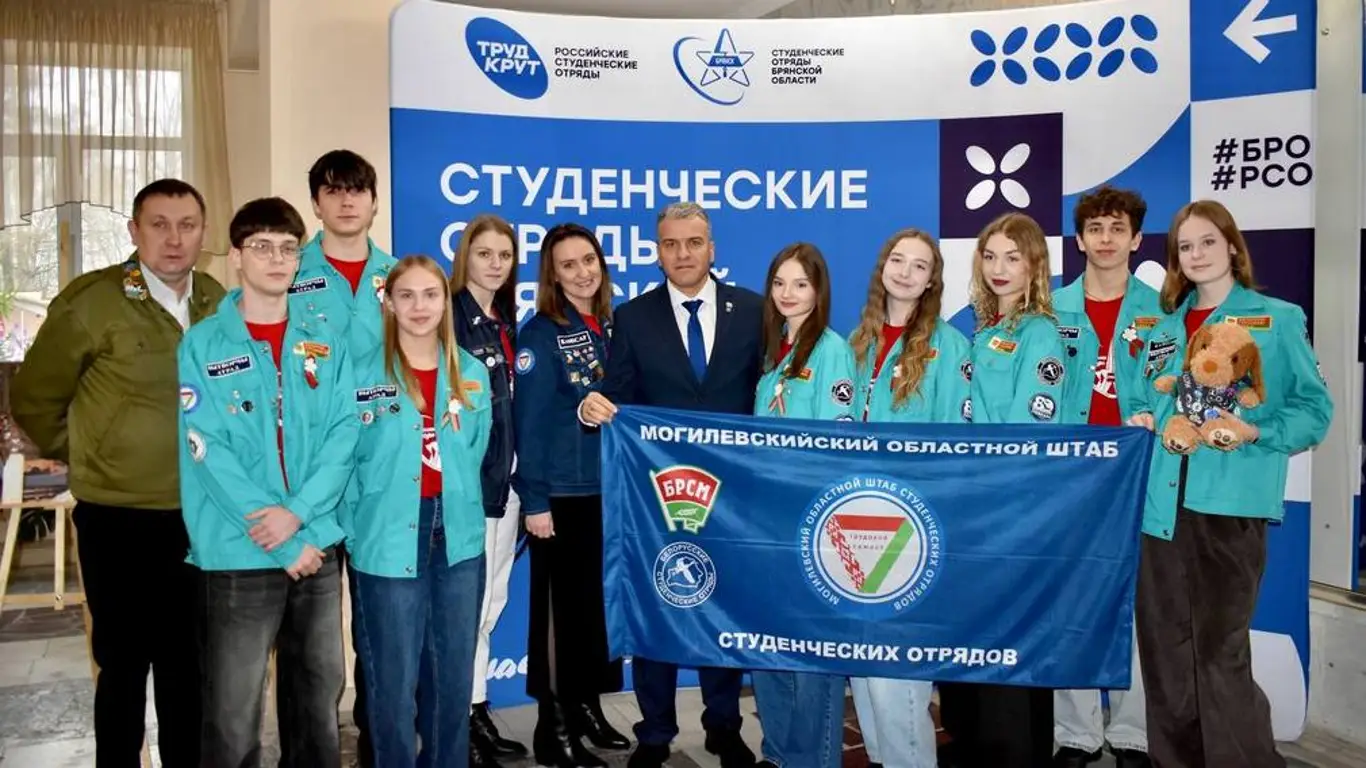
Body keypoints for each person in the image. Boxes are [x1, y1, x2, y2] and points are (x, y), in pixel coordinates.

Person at [11, 178, 224, 767]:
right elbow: (33, 397)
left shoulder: (215, 300)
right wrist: (87, 451)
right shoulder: (92, 302)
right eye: (159, 225)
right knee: (124, 666)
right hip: (118, 518)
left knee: (188, 667)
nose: (174, 239)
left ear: (202, 234)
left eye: (186, 225)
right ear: (134, 231)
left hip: (199, 517)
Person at [1126, 200, 1331, 768]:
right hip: (1159, 508)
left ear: (1232, 247)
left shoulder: (1276, 318)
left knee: (1220, 656)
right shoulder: (1164, 327)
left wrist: (1254, 430)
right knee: (1165, 658)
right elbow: (1143, 396)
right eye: (1185, 247)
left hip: (1228, 508)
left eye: (1207, 242)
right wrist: (1143, 415)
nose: (1196, 255)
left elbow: (1314, 410)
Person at [579, 202, 761, 768]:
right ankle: (654, 733)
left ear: (712, 248)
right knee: (659, 602)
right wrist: (592, 406)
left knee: (723, 606)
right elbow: (617, 394)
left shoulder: (753, 311)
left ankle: (724, 726)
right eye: (670, 244)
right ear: (657, 252)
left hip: (733, 495)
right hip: (659, 496)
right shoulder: (634, 318)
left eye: (693, 242)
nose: (682, 254)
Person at [179, 197, 356, 766]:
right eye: (261, 247)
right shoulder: (203, 344)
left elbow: (344, 433)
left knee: (317, 706)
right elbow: (209, 453)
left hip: (316, 547)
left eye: (288, 249)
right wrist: (280, 537)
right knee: (233, 718)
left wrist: (299, 517)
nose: (277, 259)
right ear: (236, 257)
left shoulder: (324, 340)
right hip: (241, 551)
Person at [347, 254, 493, 767]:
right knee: (392, 687)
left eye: (430, 295)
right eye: (405, 295)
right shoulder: (360, 374)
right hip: (388, 538)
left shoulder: (471, 372)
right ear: (388, 303)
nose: (419, 306)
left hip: (458, 537)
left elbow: (475, 451)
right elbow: (346, 460)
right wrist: (357, 530)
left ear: (445, 303)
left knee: (452, 684)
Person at [939, 211, 1068, 768]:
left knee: (1010, 641)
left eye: (1012, 258)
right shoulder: (985, 327)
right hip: (974, 507)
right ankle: (974, 744)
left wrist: (993, 500)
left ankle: (1013, 753)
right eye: (990, 256)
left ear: (1035, 264)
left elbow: (1028, 430)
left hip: (1011, 510)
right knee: (976, 636)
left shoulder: (1039, 331)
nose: (999, 268)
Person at [847, 229, 971, 768]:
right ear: (882, 268)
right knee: (863, 664)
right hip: (855, 520)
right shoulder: (856, 342)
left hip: (913, 528)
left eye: (919, 265)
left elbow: (957, 447)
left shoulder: (950, 346)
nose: (904, 272)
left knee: (896, 672)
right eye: (897, 260)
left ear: (931, 281)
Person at [290, 148, 397, 764]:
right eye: (333, 190)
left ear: (374, 201)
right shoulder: (288, 272)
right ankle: (308, 754)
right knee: (310, 644)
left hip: (384, 474)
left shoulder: (401, 275)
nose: (347, 200)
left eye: (357, 189)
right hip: (312, 480)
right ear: (316, 203)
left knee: (380, 630)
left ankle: (381, 745)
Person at [514, 224, 631, 768]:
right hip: (560, 495)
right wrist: (535, 500)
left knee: (596, 610)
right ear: (552, 276)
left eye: (589, 260)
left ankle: (587, 707)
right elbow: (530, 423)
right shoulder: (541, 334)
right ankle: (553, 726)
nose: (583, 272)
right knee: (559, 616)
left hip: (607, 489)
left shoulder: (611, 325)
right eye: (568, 265)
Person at [1051, 186, 1159, 768]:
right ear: (1080, 240)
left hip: (1138, 478)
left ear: (1136, 239)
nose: (1106, 239)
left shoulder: (1163, 310)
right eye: (1095, 228)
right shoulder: (1051, 309)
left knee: (1135, 605)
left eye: (1118, 228)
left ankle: (1133, 732)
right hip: (1072, 480)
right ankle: (1076, 732)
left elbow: (1175, 391)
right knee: (1072, 601)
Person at [749, 242, 855, 768]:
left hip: (811, 521)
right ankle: (779, 752)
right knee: (768, 642)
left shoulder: (831, 350)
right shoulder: (774, 351)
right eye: (779, 283)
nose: (788, 294)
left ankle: (814, 758)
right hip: (765, 520)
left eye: (800, 284)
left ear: (819, 290)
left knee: (813, 650)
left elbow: (838, 445)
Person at [449, 215, 529, 765]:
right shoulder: (450, 317)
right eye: (484, 253)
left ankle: (475, 708)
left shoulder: (506, 320)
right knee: (468, 606)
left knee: (490, 602)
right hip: (472, 488)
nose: (495, 264)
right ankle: (458, 718)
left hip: (509, 484)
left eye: (504, 255)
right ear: (465, 257)